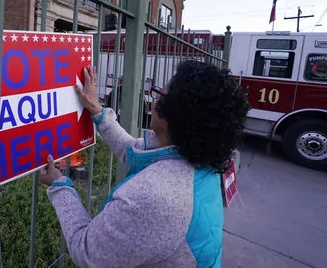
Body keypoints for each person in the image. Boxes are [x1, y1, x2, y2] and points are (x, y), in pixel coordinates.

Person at [39, 61, 250, 268]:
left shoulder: (155, 197)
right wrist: (97, 110)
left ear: (177, 115)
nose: (156, 98)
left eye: (161, 93)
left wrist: (60, 186)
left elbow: (87, 252)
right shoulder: (200, 159)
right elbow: (132, 151)